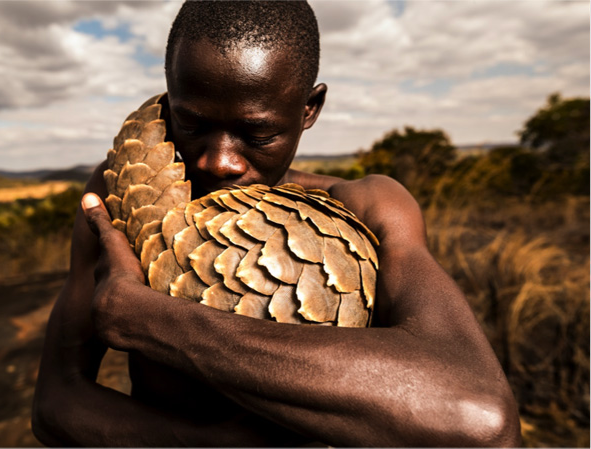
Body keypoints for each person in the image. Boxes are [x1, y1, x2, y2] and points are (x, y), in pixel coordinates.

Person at [32, 1, 521, 446]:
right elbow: (56, 403)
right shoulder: (124, 193)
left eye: (256, 132)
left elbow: (481, 419)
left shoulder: (370, 206)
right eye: (193, 124)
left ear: (308, 109)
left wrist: (149, 319)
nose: (217, 162)